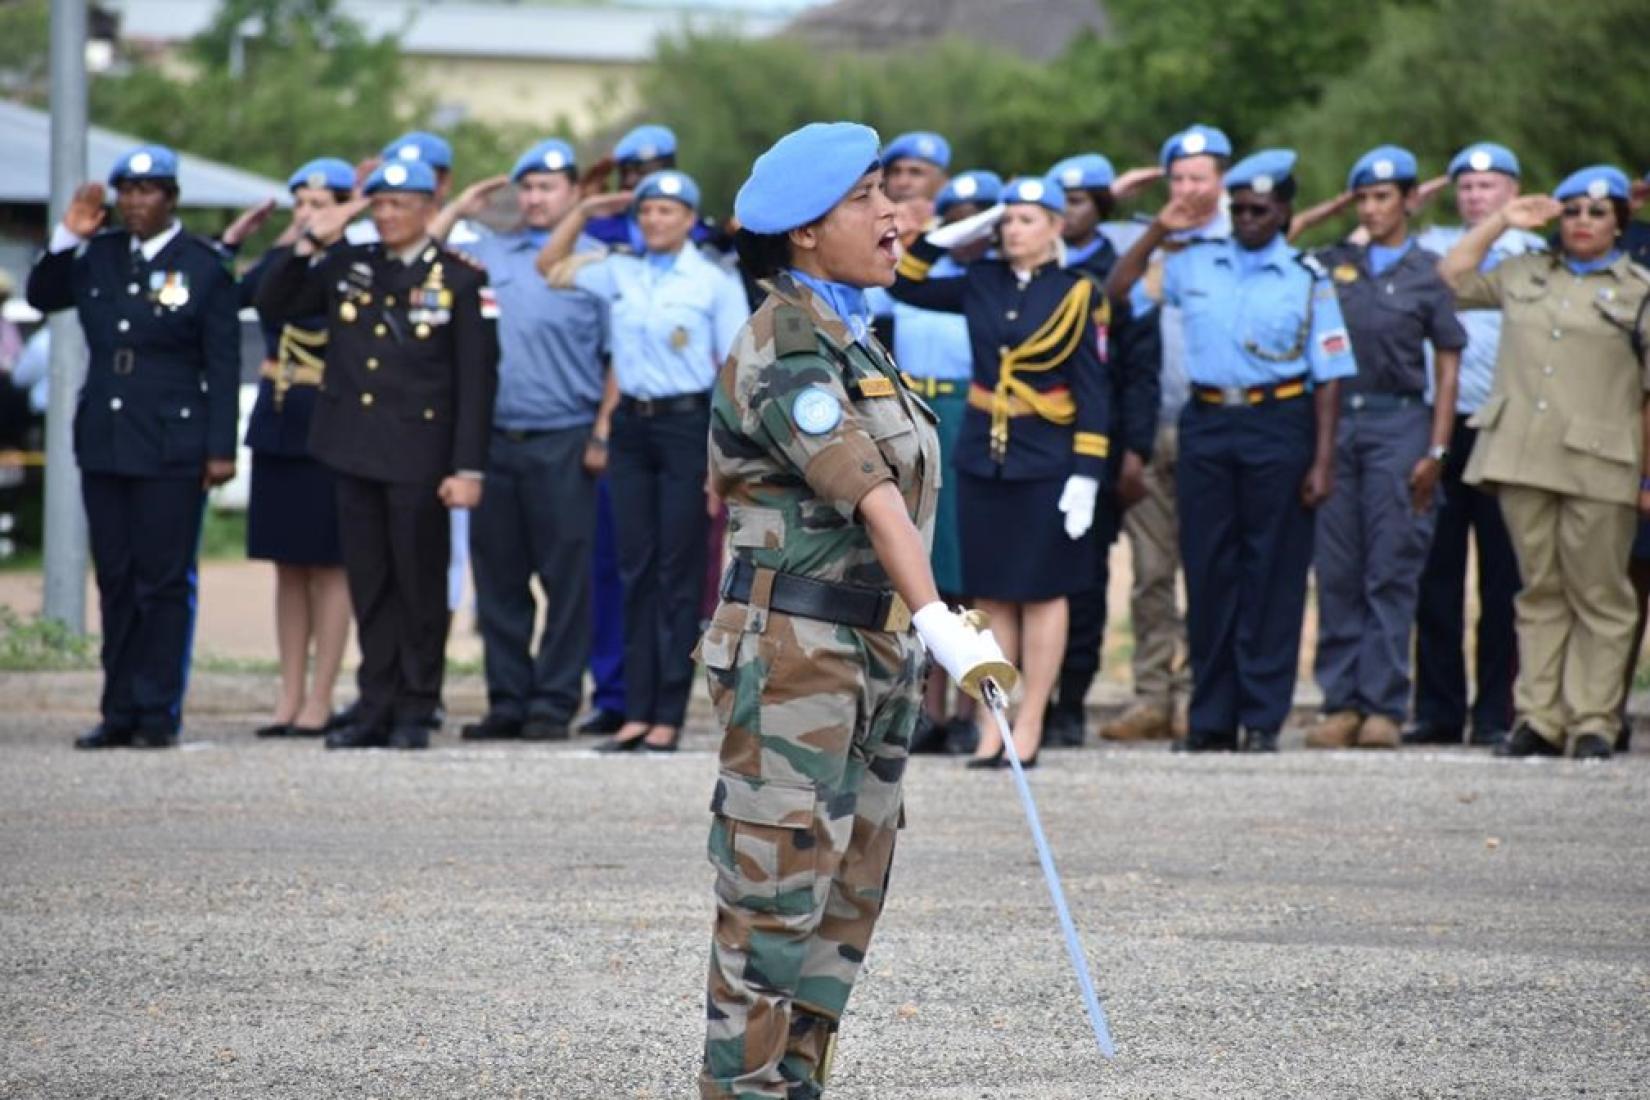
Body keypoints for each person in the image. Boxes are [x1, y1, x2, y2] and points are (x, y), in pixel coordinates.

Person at [696, 119, 1014, 1100]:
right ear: (804, 231)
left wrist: (916, 626)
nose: (894, 214)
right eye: (867, 200)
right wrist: (944, 620)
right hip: (795, 651)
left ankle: (796, 1086)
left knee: (848, 895)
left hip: (865, 646)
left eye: (891, 193)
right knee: (776, 901)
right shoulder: (786, 342)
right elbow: (873, 492)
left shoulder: (853, 334)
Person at [1108, 148, 1356, 752]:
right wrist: (1162, 227)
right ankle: (1213, 716)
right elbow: (1116, 293)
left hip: (1281, 420)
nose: (1248, 218)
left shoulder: (1307, 276)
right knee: (1210, 567)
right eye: (1239, 208)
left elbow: (1330, 375)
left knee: (1273, 572)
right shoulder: (1194, 263)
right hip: (1209, 422)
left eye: (1260, 209)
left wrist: (1322, 462)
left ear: (1283, 212)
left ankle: (1262, 717)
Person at [255, 157, 498, 751]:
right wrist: (313, 234)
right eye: (380, 205)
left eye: (400, 205)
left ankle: (416, 707)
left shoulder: (461, 279)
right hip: (353, 449)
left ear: (428, 210)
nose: (388, 216)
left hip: (421, 454)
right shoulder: (349, 265)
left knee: (418, 585)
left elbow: (476, 383)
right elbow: (272, 300)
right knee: (370, 585)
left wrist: (467, 468)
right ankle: (375, 705)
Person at [891, 175, 1112, 766]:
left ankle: (1033, 717)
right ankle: (998, 722)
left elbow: (1094, 387)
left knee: (1041, 594)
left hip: (1046, 459)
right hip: (984, 456)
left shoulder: (1078, 293)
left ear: (1055, 229)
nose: (1014, 230)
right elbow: (904, 282)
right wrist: (947, 236)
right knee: (989, 593)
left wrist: (1088, 472)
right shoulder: (981, 281)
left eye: (1027, 220)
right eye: (1007, 220)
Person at [25, 144, 240, 749]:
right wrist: (69, 234)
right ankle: (118, 708)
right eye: (127, 191)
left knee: (163, 581)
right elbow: (44, 294)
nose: (135, 202)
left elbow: (222, 365)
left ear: (171, 198)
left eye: (149, 191)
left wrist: (219, 448)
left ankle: (157, 710)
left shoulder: (201, 264)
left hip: (172, 439)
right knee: (116, 578)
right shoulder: (99, 256)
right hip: (107, 438)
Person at [1438, 166, 1650, 761]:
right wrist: (1501, 221)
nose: (1583, 221)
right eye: (1574, 210)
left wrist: (1647, 476)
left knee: (1600, 594)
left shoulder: (1639, 291)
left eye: (1598, 211)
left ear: (1619, 224)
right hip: (1526, 457)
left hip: (1603, 462)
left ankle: (1594, 721)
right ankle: (1538, 718)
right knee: (1539, 592)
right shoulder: (1524, 272)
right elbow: (1450, 278)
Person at [537, 168, 749, 753]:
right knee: (634, 569)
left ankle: (667, 714)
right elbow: (549, 268)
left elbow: (733, 375)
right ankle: (634, 710)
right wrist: (582, 213)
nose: (655, 220)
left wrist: (721, 459)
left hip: (686, 427)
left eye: (667, 211)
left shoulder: (711, 280)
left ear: (688, 219)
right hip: (632, 424)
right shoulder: (620, 271)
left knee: (677, 575)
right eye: (647, 211)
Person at [428, 139, 610, 743]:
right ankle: (507, 700)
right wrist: (457, 206)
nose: (535, 198)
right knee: (500, 582)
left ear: (574, 193)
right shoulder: (486, 254)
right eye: (527, 187)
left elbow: (617, 358)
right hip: (493, 441)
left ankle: (553, 703)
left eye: (548, 187)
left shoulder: (595, 262)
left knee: (566, 580)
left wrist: (601, 432)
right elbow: (417, 254)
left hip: (564, 436)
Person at [1297, 146, 1468, 749]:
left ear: (1408, 200)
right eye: (1362, 197)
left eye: (1381, 197)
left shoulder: (1428, 270)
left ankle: (1385, 705)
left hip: (1401, 425)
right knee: (1338, 568)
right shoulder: (1335, 263)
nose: (1370, 209)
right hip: (1337, 424)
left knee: (1390, 569)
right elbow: (1277, 239)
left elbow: (1448, 366)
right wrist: (1333, 209)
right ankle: (1340, 702)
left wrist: (1437, 451)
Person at [1100, 124, 1232, 744]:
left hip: (1218, 424)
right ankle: (1153, 694)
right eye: (1176, 177)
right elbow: (1095, 262)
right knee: (1153, 572)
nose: (1187, 190)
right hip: (1150, 427)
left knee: (1211, 569)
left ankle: (1206, 695)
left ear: (1223, 182)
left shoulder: (1248, 234)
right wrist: (1120, 196)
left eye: (1199, 178)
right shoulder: (1138, 239)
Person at [1407, 142, 1541, 747]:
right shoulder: (1436, 247)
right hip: (1441, 426)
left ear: (1514, 191)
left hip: (1506, 425)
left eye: (1488, 186)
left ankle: (1495, 711)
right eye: (1465, 186)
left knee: (1502, 579)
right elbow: (1439, 286)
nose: (1474, 196)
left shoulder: (1538, 252)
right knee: (1436, 575)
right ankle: (1437, 710)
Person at [864, 168, 1000, 754]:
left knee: (974, 569)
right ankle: (930, 707)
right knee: (933, 567)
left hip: (976, 410)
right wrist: (935, 239)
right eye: (957, 218)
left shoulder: (993, 281)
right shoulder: (921, 272)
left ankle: (976, 706)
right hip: (921, 410)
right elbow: (896, 296)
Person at [1044, 152, 1162, 748]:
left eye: (1079, 202)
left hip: (1098, 444)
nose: (1066, 214)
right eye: (1058, 202)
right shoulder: (1035, 264)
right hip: (1037, 444)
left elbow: (1141, 372)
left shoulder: (1122, 273)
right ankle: (1031, 699)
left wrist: (1135, 451)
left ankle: (1071, 700)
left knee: (1085, 580)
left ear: (1101, 208)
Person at [238, 158, 356, 738]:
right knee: (288, 565)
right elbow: (260, 297)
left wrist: (329, 236)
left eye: (320, 203)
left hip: (329, 421)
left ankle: (322, 695)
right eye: (301, 204)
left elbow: (314, 304)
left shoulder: (352, 262)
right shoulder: (290, 257)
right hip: (281, 422)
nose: (308, 214)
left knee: (330, 566)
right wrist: (294, 240)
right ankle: (288, 693)